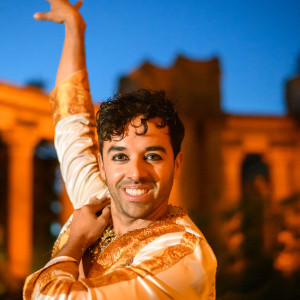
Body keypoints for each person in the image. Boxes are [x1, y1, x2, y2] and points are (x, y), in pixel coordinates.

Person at [23, 0, 217, 299]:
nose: (135, 173)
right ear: (102, 165)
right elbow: (70, 120)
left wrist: (75, 242)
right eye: (120, 157)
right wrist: (74, 27)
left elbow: (52, 296)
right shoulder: (99, 203)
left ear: (177, 163)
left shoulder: (183, 255)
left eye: (152, 156)